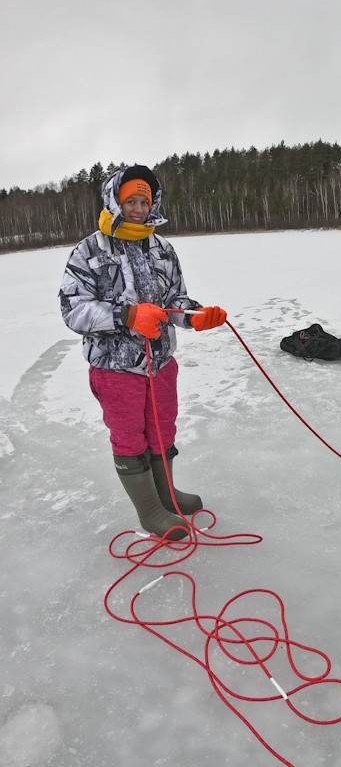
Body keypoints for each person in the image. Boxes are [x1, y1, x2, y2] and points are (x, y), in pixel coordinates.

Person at [59, 165, 227, 540]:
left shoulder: (162, 248)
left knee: (162, 430)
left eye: (144, 201)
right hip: (115, 369)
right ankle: (150, 510)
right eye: (130, 201)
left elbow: (174, 300)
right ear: (114, 202)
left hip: (161, 363)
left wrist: (194, 317)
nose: (138, 209)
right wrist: (126, 315)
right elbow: (73, 310)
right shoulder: (88, 251)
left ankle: (166, 493)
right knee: (130, 438)